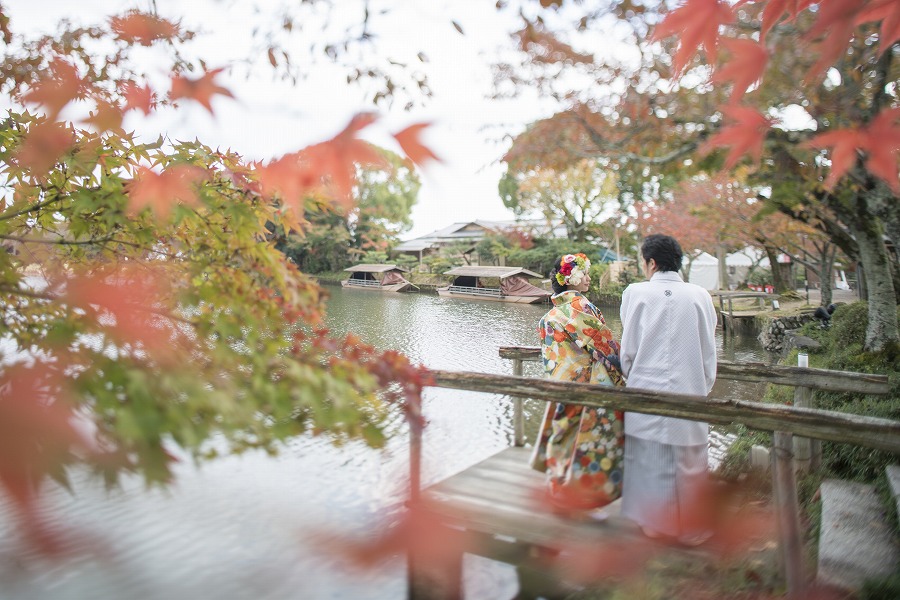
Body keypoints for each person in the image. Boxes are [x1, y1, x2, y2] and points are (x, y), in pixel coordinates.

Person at [619, 234, 717, 546]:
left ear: (651, 262)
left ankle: (653, 524)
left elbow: (629, 349)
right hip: (690, 388)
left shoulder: (636, 293)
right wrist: (702, 384)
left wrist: (629, 374)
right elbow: (708, 349)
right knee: (689, 460)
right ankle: (691, 526)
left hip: (645, 388)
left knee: (649, 457)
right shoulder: (700, 294)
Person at [530, 253, 625, 519]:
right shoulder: (578, 307)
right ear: (570, 278)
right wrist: (621, 373)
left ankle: (557, 492)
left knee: (563, 434)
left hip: (561, 381)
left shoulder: (551, 314)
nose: (589, 277)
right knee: (586, 441)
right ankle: (577, 501)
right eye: (584, 273)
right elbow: (606, 346)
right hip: (585, 384)